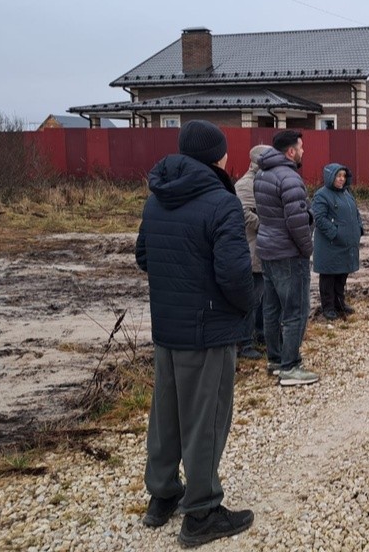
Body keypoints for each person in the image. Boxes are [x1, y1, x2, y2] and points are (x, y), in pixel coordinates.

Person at [135, 120, 255, 546]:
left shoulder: (156, 198)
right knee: (206, 420)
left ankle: (162, 495)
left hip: (168, 327)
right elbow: (236, 275)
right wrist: (245, 312)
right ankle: (201, 511)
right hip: (208, 330)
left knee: (166, 415)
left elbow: (144, 256)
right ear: (216, 157)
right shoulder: (221, 203)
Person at [254, 130, 319, 387]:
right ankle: (290, 366)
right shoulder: (289, 178)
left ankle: (275, 359)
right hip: (289, 253)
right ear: (290, 151)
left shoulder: (262, 174)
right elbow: (297, 222)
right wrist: (306, 249)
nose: (303, 152)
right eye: (301, 148)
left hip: (268, 250)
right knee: (295, 311)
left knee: (272, 309)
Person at [310, 163, 364, 320]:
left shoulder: (347, 193)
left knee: (341, 274)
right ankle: (328, 307)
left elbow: (356, 213)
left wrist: (359, 228)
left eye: (343, 176)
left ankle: (340, 303)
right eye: (338, 176)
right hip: (330, 245)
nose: (341, 179)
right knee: (329, 276)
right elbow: (319, 218)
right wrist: (335, 233)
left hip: (346, 244)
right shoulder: (322, 195)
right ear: (330, 177)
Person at [234, 144, 272, 359]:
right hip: (252, 248)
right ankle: (245, 342)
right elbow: (244, 213)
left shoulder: (264, 181)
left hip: (265, 248)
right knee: (251, 298)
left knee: (264, 295)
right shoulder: (246, 184)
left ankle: (261, 334)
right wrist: (268, 225)